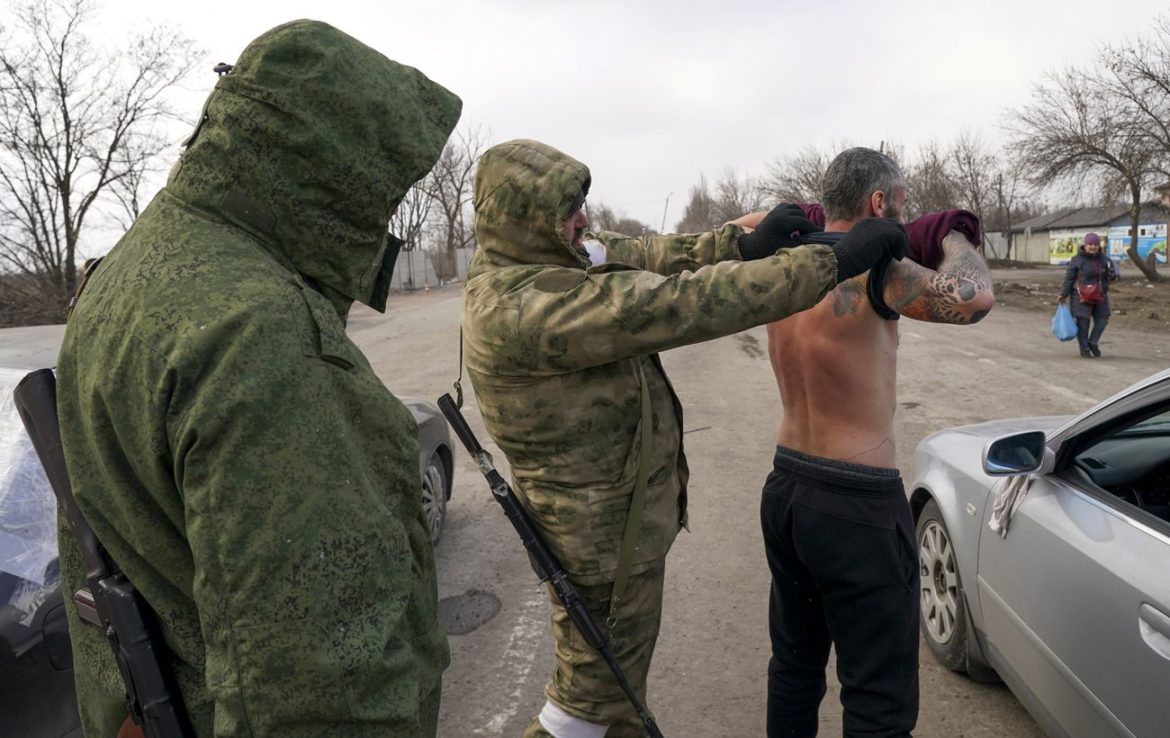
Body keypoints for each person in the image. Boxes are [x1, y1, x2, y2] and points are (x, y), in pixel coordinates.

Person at [54, 20, 461, 738]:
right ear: (330, 173)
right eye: (379, 191)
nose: (384, 216)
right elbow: (320, 694)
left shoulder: (131, 272)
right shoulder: (258, 333)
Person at [461, 138, 909, 738]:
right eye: (568, 207)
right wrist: (831, 263)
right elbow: (678, 304)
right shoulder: (519, 305)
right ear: (526, 217)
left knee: (617, 699)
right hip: (596, 547)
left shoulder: (552, 255)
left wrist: (739, 244)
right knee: (586, 708)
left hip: (620, 530)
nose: (584, 219)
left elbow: (644, 253)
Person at [753, 147, 995, 738]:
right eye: (901, 204)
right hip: (855, 502)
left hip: (787, 487)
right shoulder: (877, 272)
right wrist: (956, 235)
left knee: (794, 667)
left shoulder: (780, 264)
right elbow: (974, 296)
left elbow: (742, 228)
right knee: (878, 698)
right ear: (879, 203)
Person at [1059, 232, 1116, 357]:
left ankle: (1093, 342)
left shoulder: (1105, 260)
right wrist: (1063, 294)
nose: (1093, 246)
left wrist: (1113, 275)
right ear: (1085, 245)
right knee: (1083, 323)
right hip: (1080, 296)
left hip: (1100, 294)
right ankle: (1084, 348)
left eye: (1095, 244)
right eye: (1090, 244)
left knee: (1103, 319)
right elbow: (1069, 278)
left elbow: (1113, 276)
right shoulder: (1077, 260)